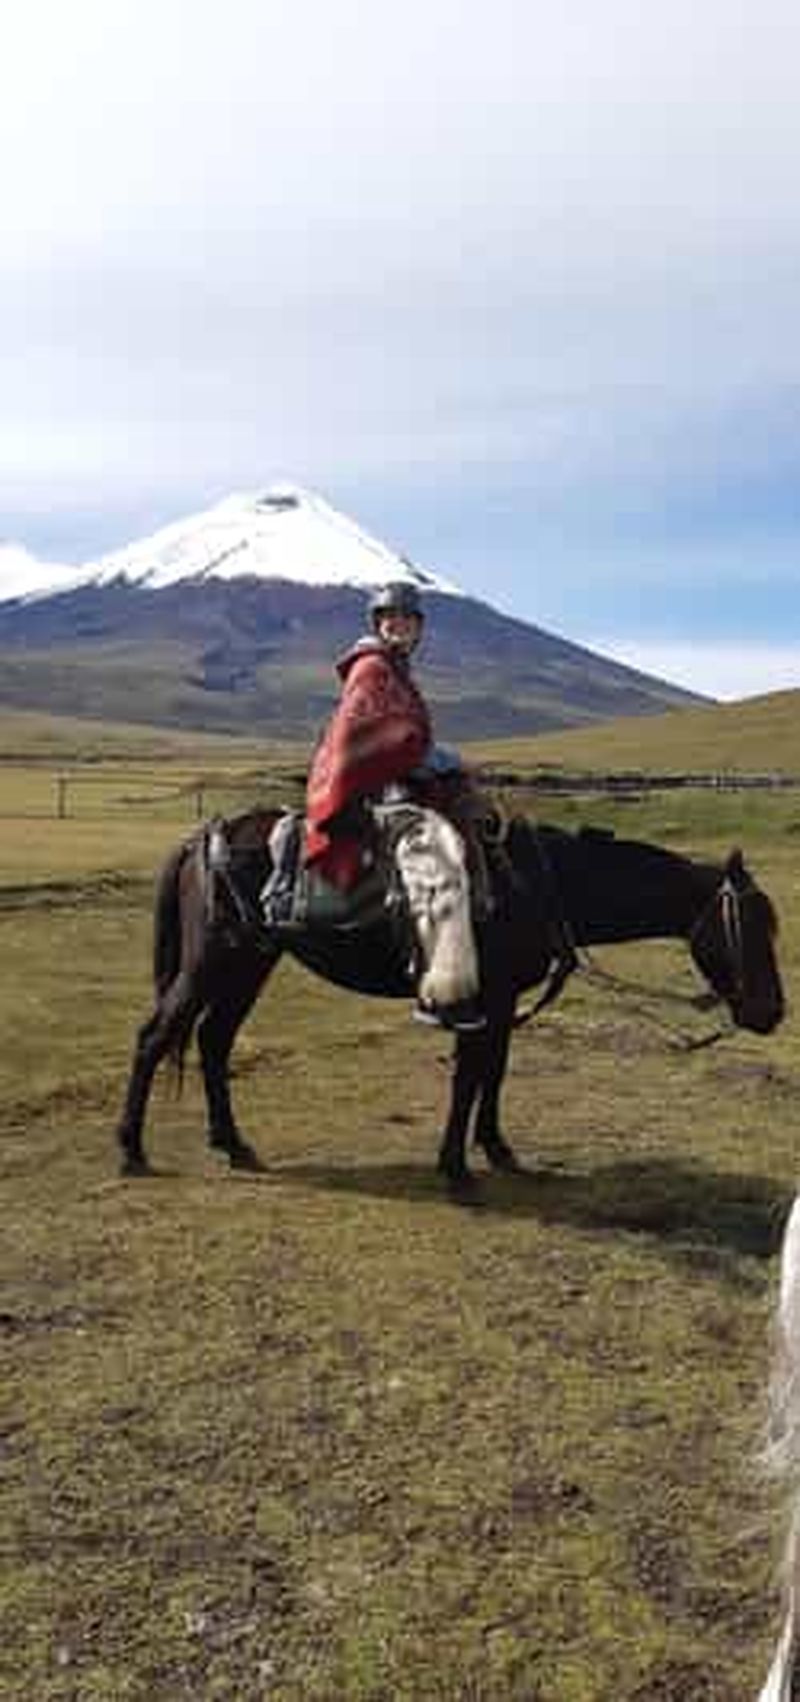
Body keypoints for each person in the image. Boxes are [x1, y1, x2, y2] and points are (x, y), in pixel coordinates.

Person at [262, 581, 487, 1030]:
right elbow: (368, 742)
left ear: (418, 628)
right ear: (378, 625)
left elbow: (399, 736)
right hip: (374, 801)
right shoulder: (373, 669)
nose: (397, 625)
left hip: (393, 790)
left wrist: (429, 756)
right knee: (437, 858)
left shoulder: (395, 670)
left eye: (406, 619)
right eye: (389, 619)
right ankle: (440, 992)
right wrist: (429, 757)